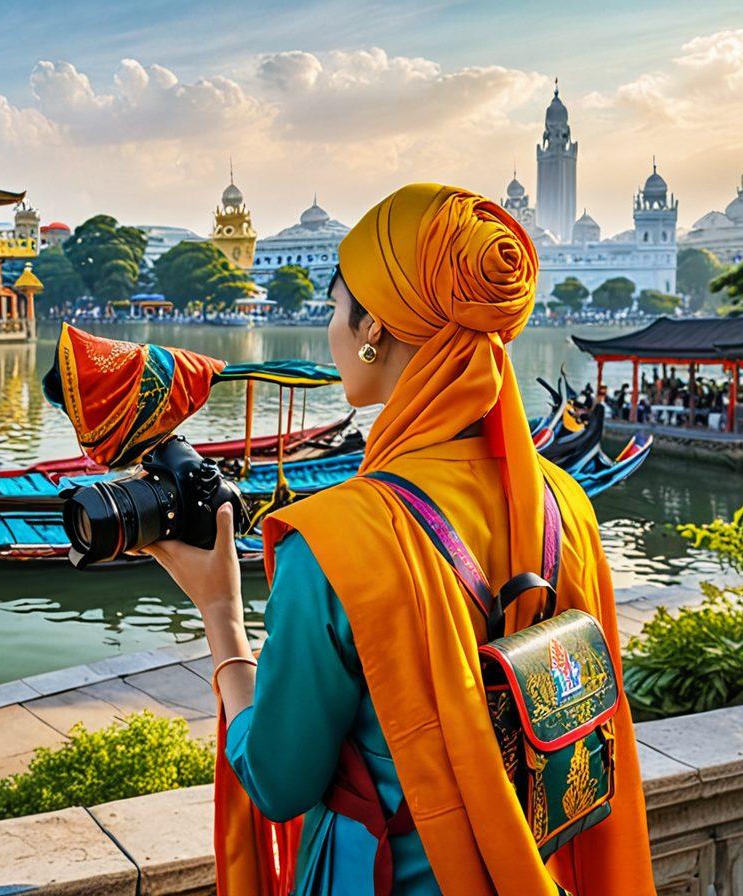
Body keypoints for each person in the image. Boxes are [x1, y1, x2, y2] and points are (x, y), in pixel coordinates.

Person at [145, 183, 654, 894]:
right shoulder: (564, 502)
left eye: (332, 306)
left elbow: (277, 781)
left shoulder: (336, 540)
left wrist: (222, 617)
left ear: (373, 326)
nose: (329, 326)